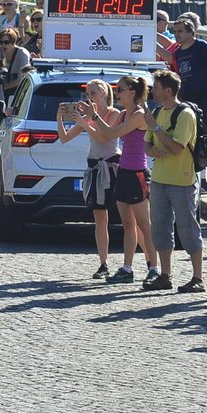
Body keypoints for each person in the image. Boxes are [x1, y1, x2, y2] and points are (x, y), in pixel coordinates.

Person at [89, 76, 159, 283]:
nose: (117, 93)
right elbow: (106, 134)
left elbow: (111, 133)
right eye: (116, 89)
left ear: (132, 92)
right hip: (123, 171)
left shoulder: (138, 115)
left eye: (120, 89)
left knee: (144, 225)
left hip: (137, 172)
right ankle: (127, 268)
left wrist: (93, 116)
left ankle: (154, 267)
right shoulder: (122, 115)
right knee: (127, 223)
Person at [142, 69, 206, 293]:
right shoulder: (158, 112)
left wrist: (156, 128)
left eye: (156, 88)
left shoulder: (185, 114)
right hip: (159, 179)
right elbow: (146, 144)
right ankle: (165, 275)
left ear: (168, 91)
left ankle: (197, 277)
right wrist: (152, 150)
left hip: (182, 181)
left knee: (188, 229)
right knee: (160, 229)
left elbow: (177, 148)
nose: (153, 91)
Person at [57, 80, 122, 279]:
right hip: (94, 166)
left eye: (93, 93)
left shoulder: (114, 114)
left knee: (130, 219)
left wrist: (86, 123)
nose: (89, 98)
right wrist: (60, 118)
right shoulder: (87, 117)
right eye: (88, 94)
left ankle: (148, 262)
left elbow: (105, 138)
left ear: (103, 94)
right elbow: (65, 138)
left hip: (112, 166)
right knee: (100, 219)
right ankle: (104, 263)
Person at [171, 17, 207, 196]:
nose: (177, 35)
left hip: (205, 95)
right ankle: (201, 180)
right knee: (196, 139)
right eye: (175, 31)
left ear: (190, 31)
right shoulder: (178, 53)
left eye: (180, 31)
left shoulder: (201, 46)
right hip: (188, 97)